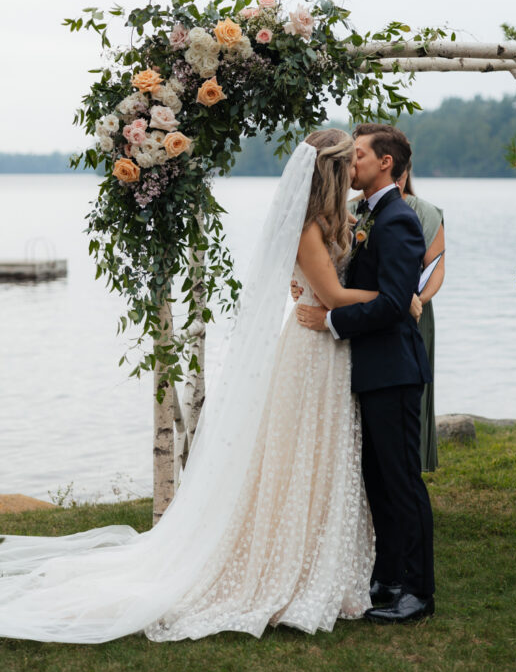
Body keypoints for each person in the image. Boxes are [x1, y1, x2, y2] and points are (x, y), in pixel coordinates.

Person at [0, 129, 417, 642]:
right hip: (313, 349)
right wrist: (398, 299)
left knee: (326, 455)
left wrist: (358, 291)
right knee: (300, 454)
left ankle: (331, 561)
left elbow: (330, 281)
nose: (354, 167)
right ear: (331, 172)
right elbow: (330, 292)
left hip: (333, 350)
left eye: (360, 157)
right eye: (348, 161)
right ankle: (293, 563)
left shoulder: (345, 219)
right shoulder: (312, 225)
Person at [296, 123, 435, 624]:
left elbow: (396, 303)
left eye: (358, 156)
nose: (350, 164)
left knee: (402, 484)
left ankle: (419, 592)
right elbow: (352, 279)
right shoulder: (360, 215)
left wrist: (331, 318)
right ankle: (389, 577)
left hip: (393, 369)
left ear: (385, 164)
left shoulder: (397, 220)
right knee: (377, 482)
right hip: (366, 369)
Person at [397, 162, 445, 472]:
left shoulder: (427, 213)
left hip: (417, 312)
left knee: (413, 393)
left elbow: (437, 268)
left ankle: (411, 467)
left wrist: (418, 300)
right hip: (366, 309)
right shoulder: (351, 208)